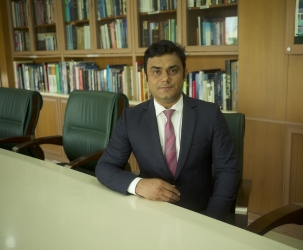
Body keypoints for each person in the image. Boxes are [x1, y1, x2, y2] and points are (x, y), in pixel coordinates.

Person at [95, 40, 240, 221]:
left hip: (198, 213)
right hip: (149, 211)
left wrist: (213, 220)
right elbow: (105, 167)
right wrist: (138, 184)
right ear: (146, 77)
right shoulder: (130, 118)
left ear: (184, 74)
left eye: (173, 70)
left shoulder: (210, 114)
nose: (165, 78)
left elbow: (228, 171)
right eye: (156, 71)